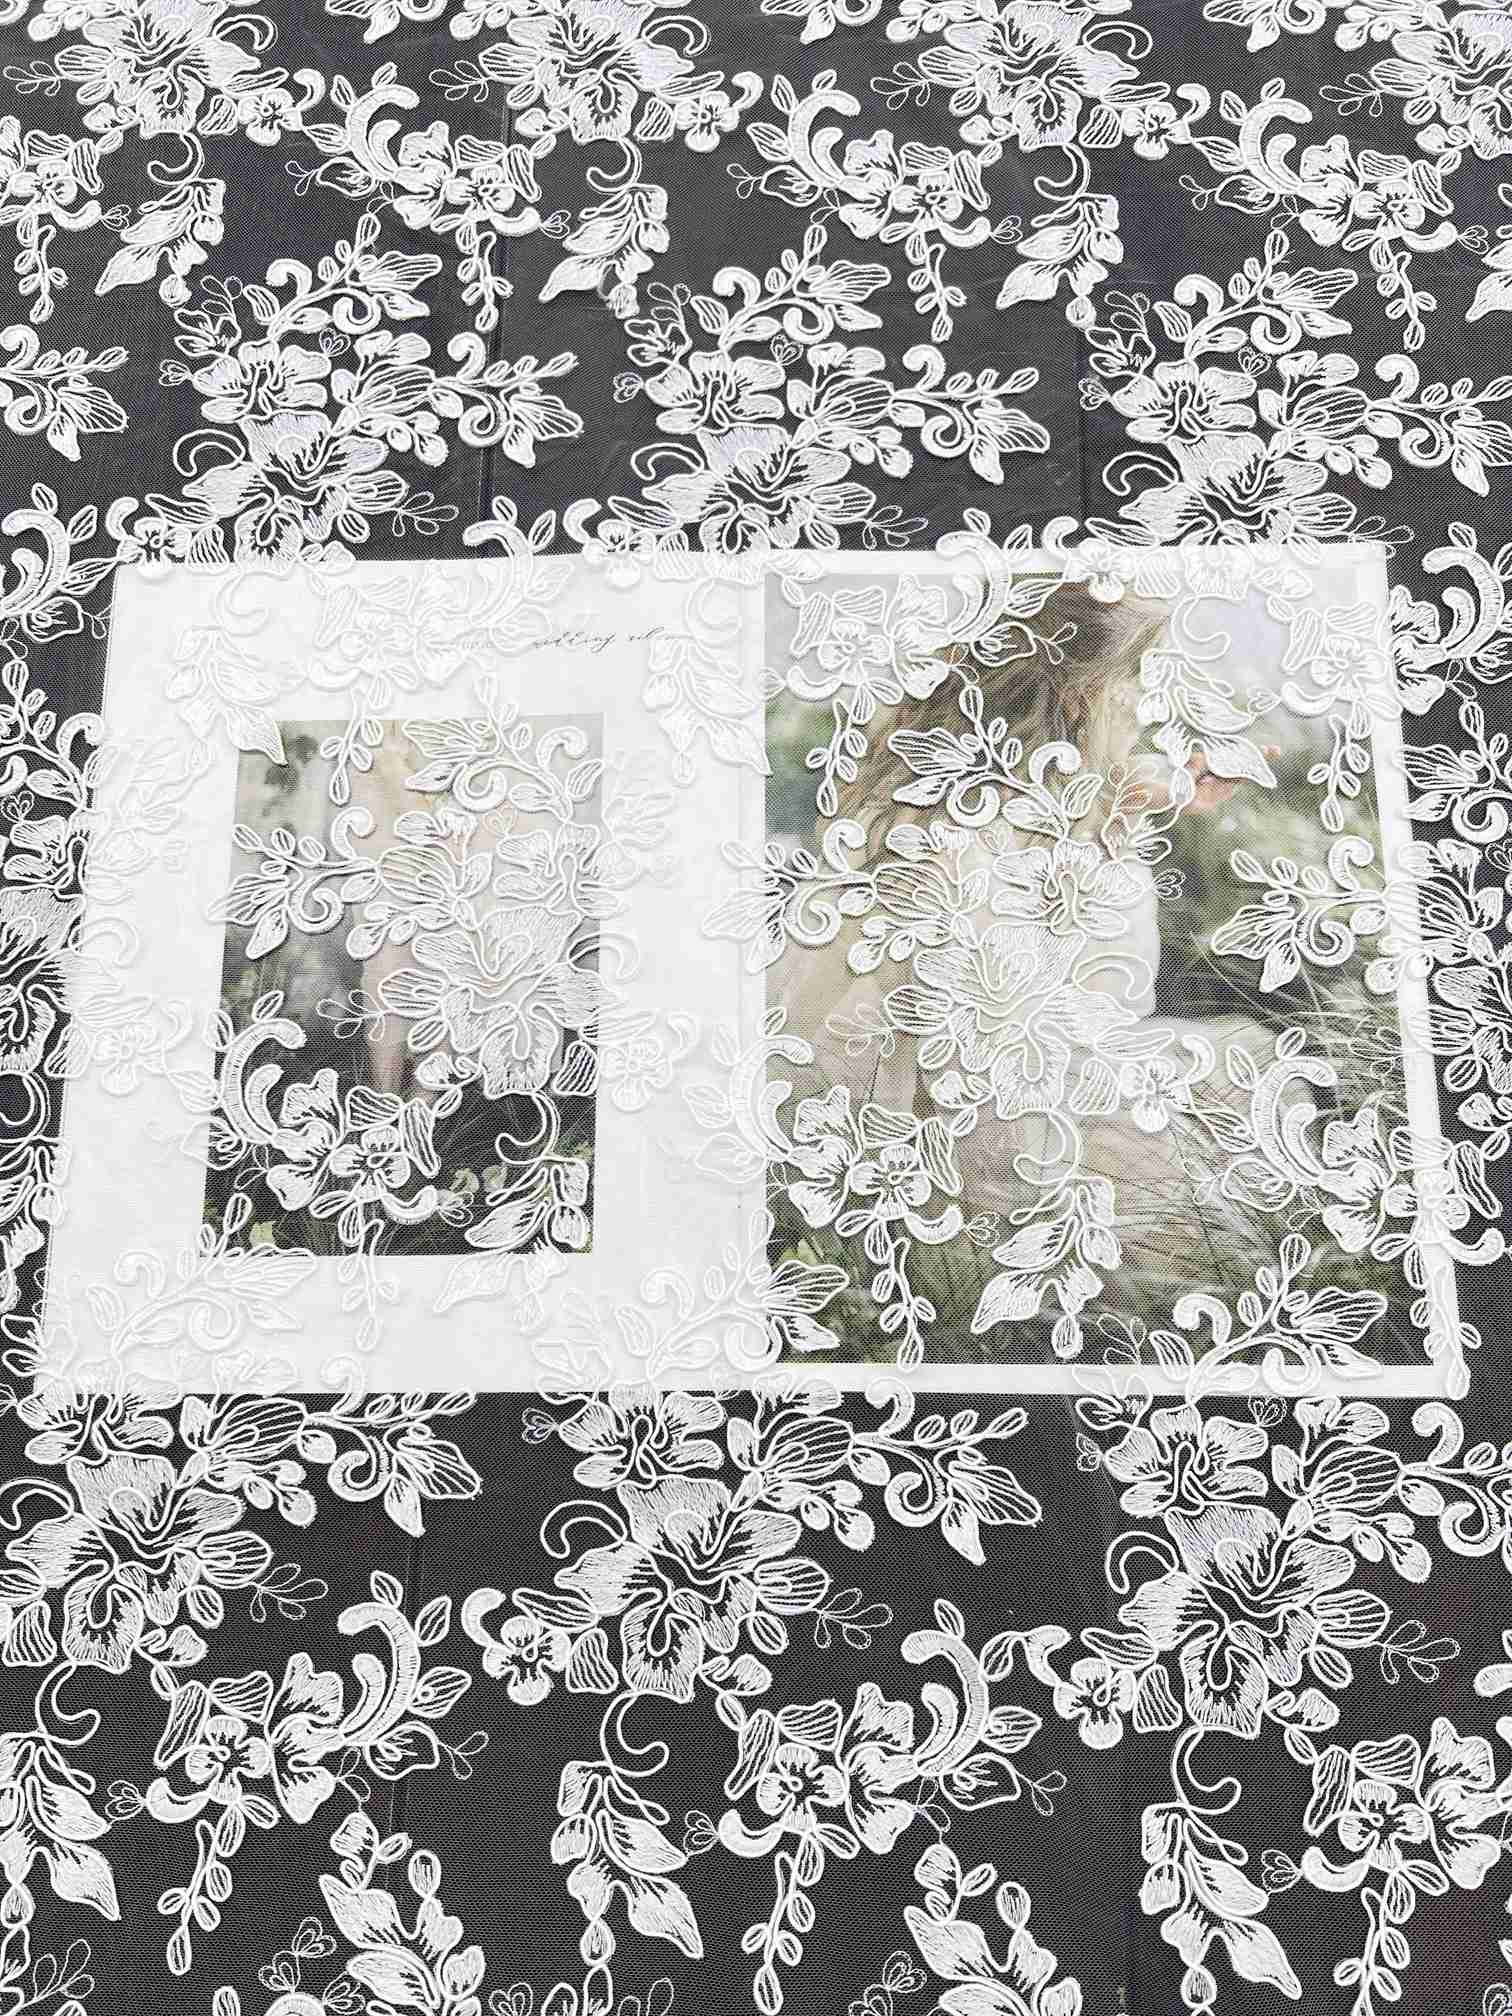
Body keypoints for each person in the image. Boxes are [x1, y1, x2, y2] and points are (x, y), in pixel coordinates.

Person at [770, 579, 1287, 1347]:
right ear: (1085, 696)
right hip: (965, 1143)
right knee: (1238, 1088)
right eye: (1135, 683)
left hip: (936, 1098)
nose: (1141, 708)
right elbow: (996, 1073)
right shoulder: (970, 851)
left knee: (1237, 1066)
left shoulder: (947, 798)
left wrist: (1150, 792)